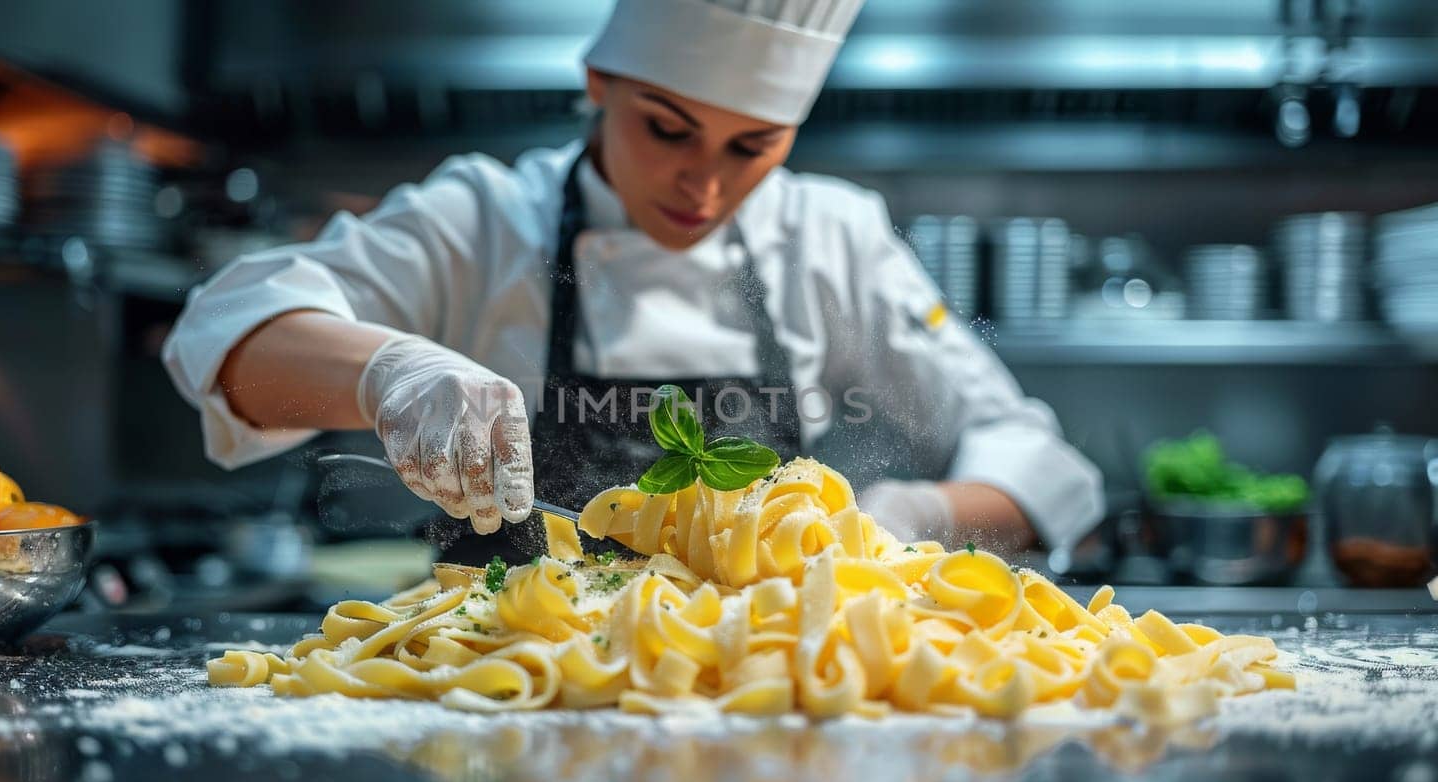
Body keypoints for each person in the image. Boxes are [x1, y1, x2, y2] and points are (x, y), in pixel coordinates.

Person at [162, 0, 1104, 564]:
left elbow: (1044, 464)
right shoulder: (486, 220)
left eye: (752, 148)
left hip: (763, 702)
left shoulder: (833, 235)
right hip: (507, 701)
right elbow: (224, 335)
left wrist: (915, 515)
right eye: (667, 127)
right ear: (599, 80)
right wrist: (388, 374)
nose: (703, 185)